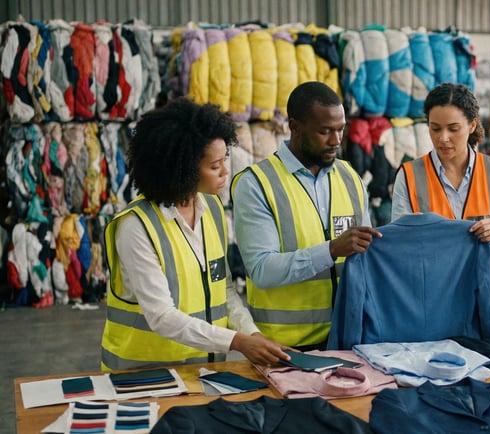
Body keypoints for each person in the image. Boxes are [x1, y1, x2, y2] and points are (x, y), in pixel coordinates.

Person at [101, 98, 291, 370]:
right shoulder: (136, 227)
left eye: (225, 159)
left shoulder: (212, 209)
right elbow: (161, 317)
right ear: (183, 169)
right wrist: (237, 342)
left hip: (202, 374)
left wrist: (253, 335)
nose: (226, 171)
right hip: (142, 379)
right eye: (215, 166)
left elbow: (222, 287)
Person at [232, 81, 380, 350]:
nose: (336, 141)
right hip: (282, 349)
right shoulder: (256, 184)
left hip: (348, 342)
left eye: (340, 130)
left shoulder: (350, 178)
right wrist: (332, 249)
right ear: (295, 127)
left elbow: (365, 259)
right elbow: (262, 270)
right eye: (325, 132)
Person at [391, 82, 490, 313]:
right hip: (431, 308)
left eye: (453, 128)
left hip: (488, 306)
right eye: (435, 128)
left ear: (472, 125)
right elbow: (399, 249)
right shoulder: (409, 175)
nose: (443, 138)